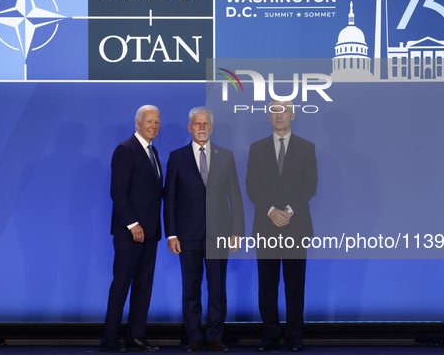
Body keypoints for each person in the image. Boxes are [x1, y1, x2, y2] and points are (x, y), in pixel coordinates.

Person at [164, 107, 245, 352]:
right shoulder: (177, 157)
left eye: (205, 123)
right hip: (187, 235)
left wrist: (237, 231)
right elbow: (169, 199)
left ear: (211, 127)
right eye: (197, 124)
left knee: (217, 289)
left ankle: (214, 337)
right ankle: (194, 338)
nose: (201, 127)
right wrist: (171, 234)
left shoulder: (226, 156)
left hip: (220, 234)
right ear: (189, 127)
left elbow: (236, 196)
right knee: (191, 289)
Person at [245, 100, 318, 351]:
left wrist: (286, 211)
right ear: (269, 116)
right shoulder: (256, 148)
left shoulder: (307, 148)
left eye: (283, 111)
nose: (279, 116)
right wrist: (270, 212)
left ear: (293, 115)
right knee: (267, 286)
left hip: (296, 226)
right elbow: (251, 186)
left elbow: (310, 186)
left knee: (295, 285)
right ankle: (270, 334)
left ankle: (295, 334)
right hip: (265, 227)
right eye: (274, 111)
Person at [101, 105, 163, 352]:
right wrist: (133, 224)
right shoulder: (126, 149)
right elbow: (118, 191)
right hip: (130, 232)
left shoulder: (153, 151)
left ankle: (136, 337)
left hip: (151, 232)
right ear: (138, 123)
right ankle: (110, 338)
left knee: (143, 286)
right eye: (149, 121)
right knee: (122, 283)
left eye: (157, 122)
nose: (154, 126)